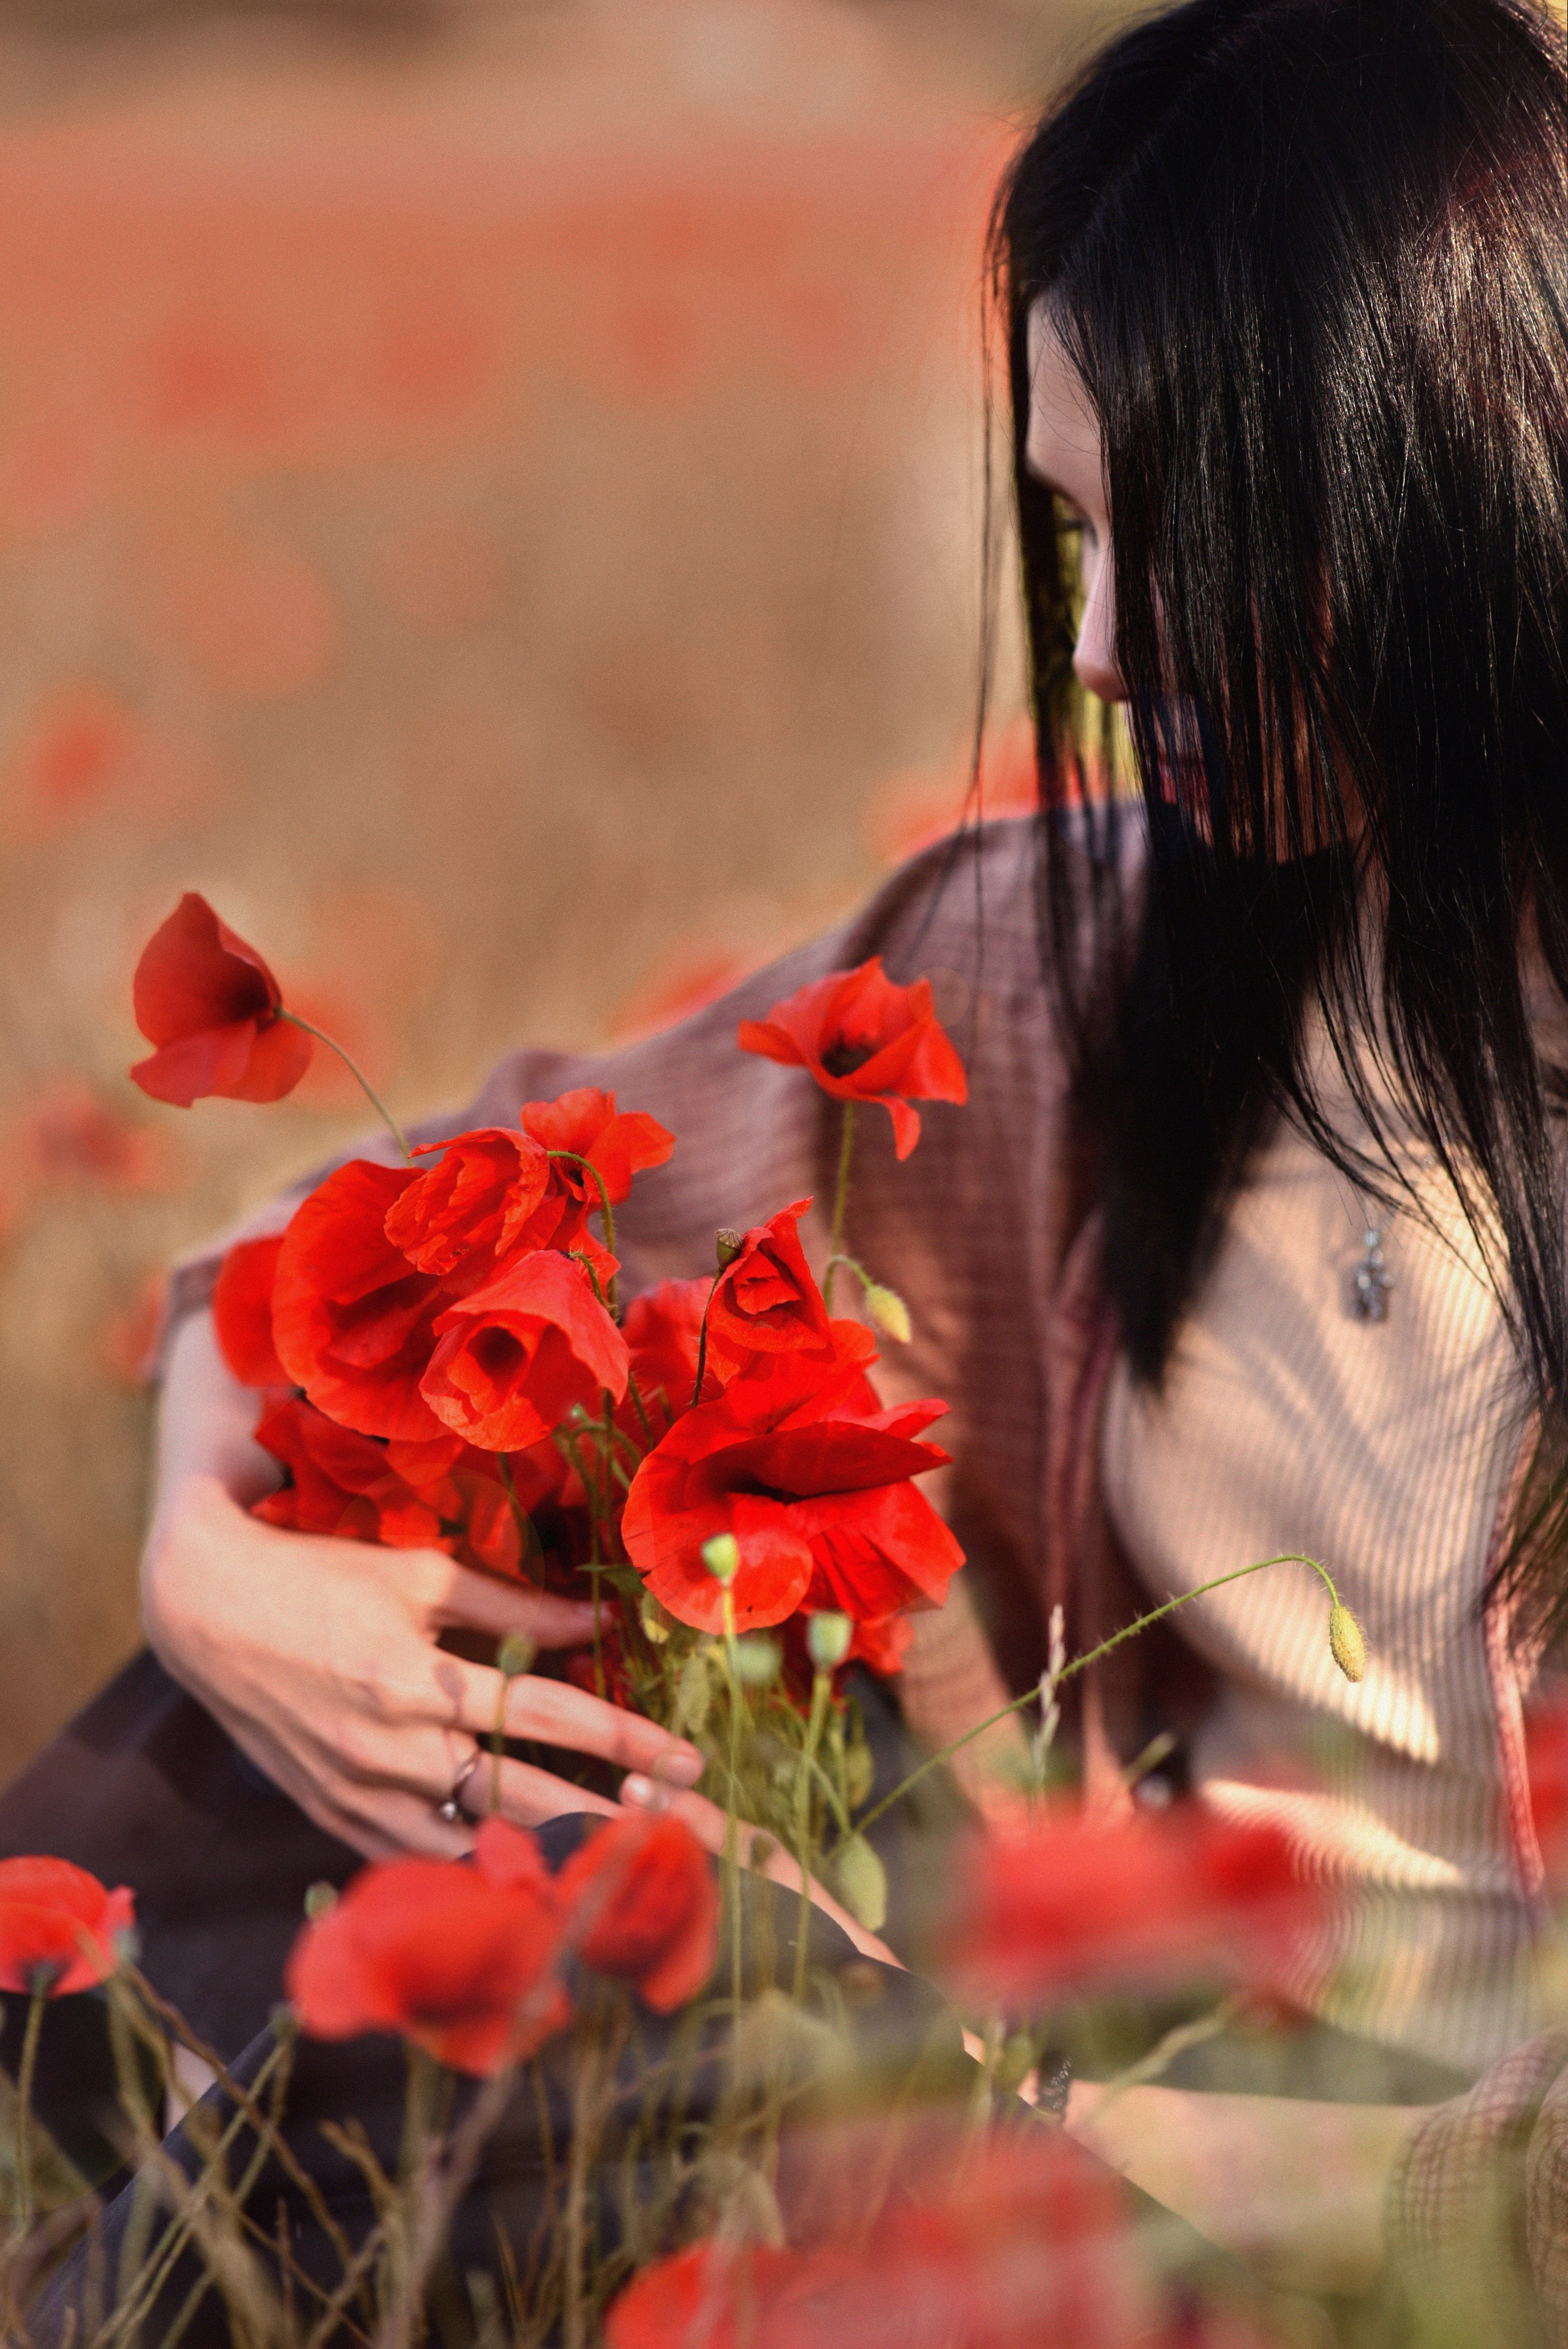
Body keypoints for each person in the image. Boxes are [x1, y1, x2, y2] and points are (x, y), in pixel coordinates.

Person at [7, 0, 1568, 2331]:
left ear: (1450, 489)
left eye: (1195, 539)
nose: (1115, 651)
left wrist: (1132, 2151)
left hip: (1379, 2221)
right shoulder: (1096, 962)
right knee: (375, 1697)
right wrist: (218, 1572)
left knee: (623, 1980)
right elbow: (409, 1217)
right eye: (1077, 537)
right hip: (1067, 2055)